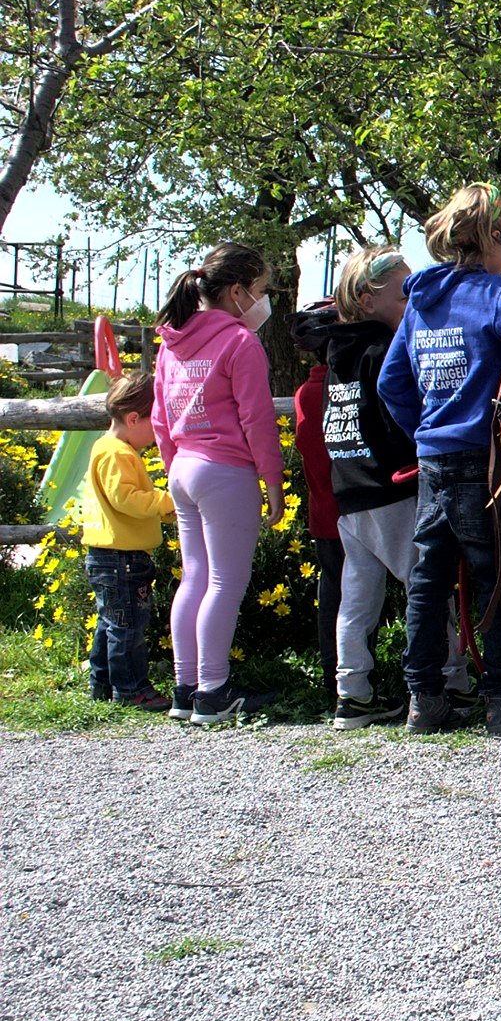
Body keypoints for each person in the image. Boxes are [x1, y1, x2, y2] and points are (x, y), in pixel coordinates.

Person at [376, 186, 501, 736]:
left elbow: (391, 383)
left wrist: (426, 433)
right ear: (495, 238)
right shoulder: (494, 295)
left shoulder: (421, 303)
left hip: (434, 460)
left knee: (428, 580)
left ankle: (423, 699)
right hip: (485, 462)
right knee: (496, 574)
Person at [310, 247, 479, 730]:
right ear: (367, 299)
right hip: (391, 489)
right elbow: (395, 413)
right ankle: (450, 681)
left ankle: (352, 692)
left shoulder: (336, 355)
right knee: (428, 587)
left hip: (350, 493)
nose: (412, 298)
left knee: (357, 598)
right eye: (403, 291)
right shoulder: (384, 351)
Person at [153, 241, 288, 725]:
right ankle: (213, 690)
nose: (263, 301)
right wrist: (272, 480)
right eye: (260, 291)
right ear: (236, 292)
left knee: (194, 577)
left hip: (183, 468)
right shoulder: (239, 342)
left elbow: (159, 418)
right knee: (225, 581)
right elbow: (256, 420)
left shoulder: (172, 342)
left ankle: (185, 686)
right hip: (224, 471)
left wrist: (174, 465)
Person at [81, 370, 175, 711]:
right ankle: (132, 689)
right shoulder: (117, 453)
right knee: (128, 627)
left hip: (111, 556)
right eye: (155, 423)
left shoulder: (106, 448)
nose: (156, 434)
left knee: (112, 624)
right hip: (122, 558)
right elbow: (127, 499)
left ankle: (103, 684)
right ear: (134, 418)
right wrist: (168, 502)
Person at [290, 305, 345, 701]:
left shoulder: (305, 393)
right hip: (357, 507)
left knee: (333, 596)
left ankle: (333, 679)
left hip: (322, 510)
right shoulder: (342, 388)